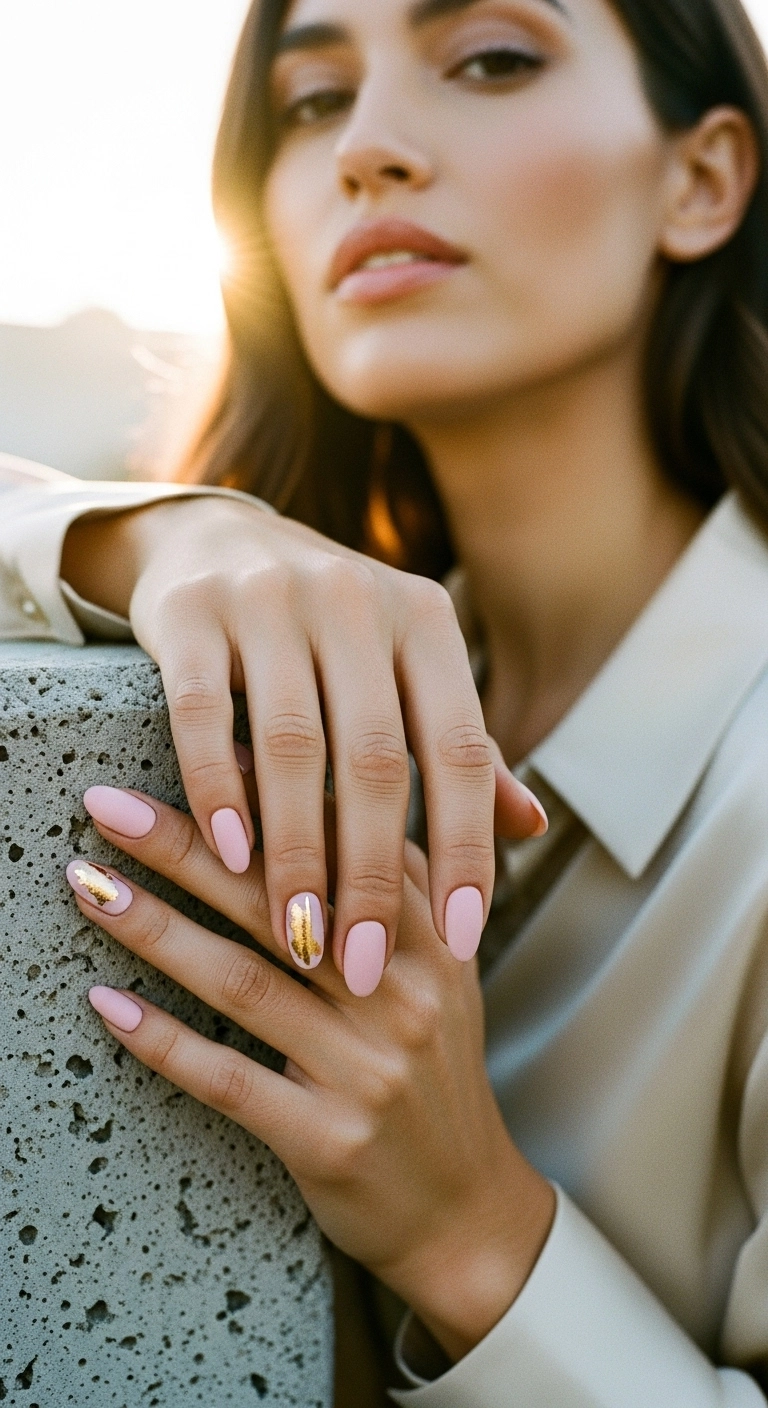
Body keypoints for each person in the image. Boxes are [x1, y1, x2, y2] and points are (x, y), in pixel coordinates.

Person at [7, 0, 768, 1399]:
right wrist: (157, 533)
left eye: (492, 58)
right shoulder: (324, 661)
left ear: (703, 177)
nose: (367, 147)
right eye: (311, 101)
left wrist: (470, 1230)